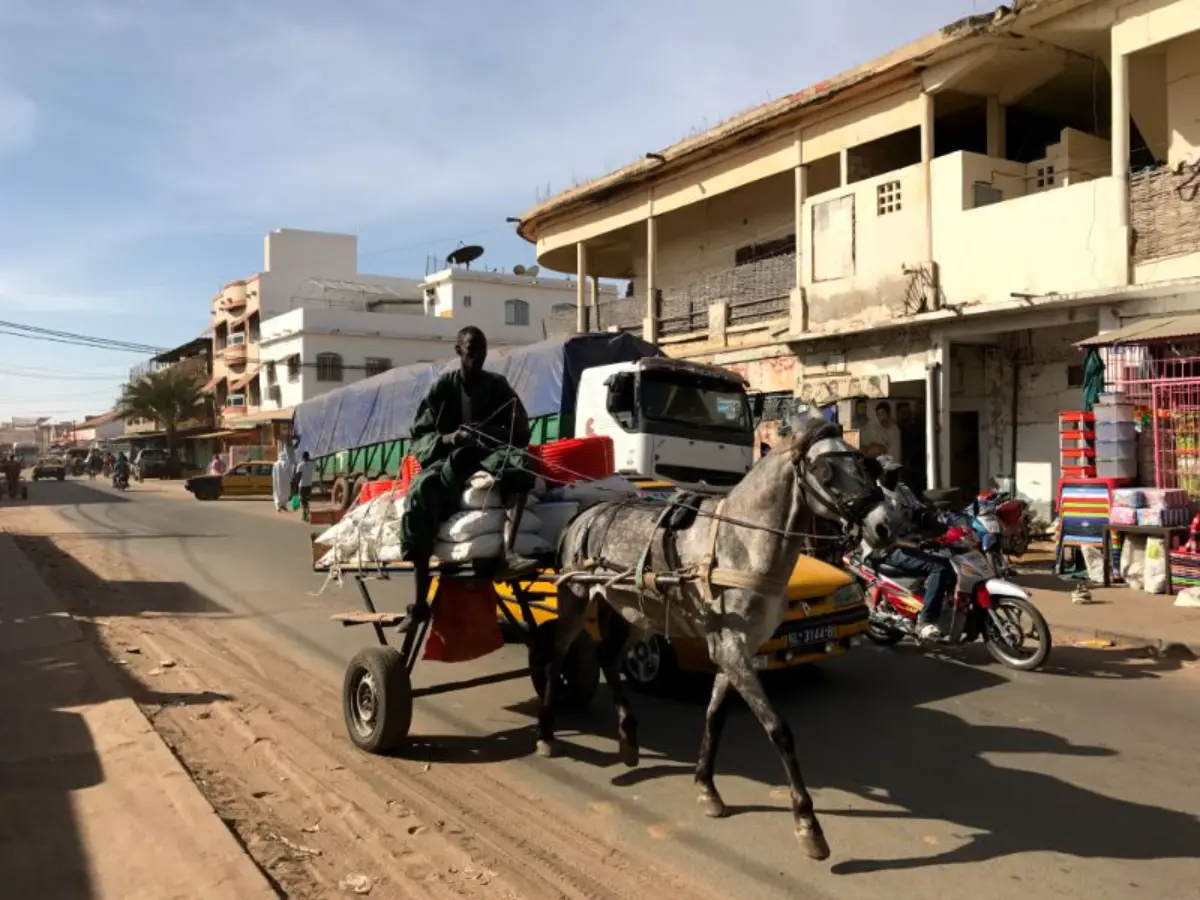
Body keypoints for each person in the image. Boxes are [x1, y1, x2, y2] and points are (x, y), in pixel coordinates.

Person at [396, 326, 538, 631]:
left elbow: (521, 431)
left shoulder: (498, 386)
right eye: (472, 351)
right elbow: (420, 435)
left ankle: (507, 552)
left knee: (519, 465)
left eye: (482, 351)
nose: (477, 358)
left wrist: (491, 433)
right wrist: (451, 439)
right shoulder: (443, 388)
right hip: (450, 458)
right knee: (420, 491)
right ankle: (420, 604)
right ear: (458, 351)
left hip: (487, 454)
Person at [869, 456, 953, 640]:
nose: (894, 476)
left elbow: (918, 511)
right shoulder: (875, 496)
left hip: (912, 542)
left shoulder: (903, 490)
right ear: (881, 475)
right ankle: (926, 620)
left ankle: (943, 606)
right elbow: (884, 535)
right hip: (889, 549)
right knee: (939, 568)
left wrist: (935, 521)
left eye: (896, 472)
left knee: (953, 561)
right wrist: (913, 543)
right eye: (890, 473)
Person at [271, 446, 294, 512]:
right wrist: (291, 479)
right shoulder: (288, 464)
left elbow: (273, 474)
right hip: (286, 482)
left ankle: (279, 506)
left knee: (278, 493)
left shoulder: (275, 464)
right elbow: (291, 473)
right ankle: (282, 505)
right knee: (285, 493)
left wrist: (274, 481)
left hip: (278, 482)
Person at [295, 451, 315, 520]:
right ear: (308, 457)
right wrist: (312, 461)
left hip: (302, 485)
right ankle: (307, 513)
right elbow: (317, 469)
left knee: (303, 500)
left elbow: (298, 476)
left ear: (302, 457)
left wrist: (295, 485)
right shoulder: (312, 464)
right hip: (309, 485)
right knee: (306, 500)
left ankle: (305, 515)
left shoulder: (300, 465)